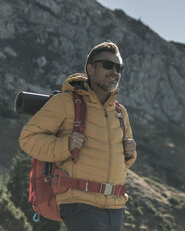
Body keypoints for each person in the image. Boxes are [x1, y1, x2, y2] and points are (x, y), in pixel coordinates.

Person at [19, 41, 137, 231]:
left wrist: (130, 153)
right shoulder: (65, 102)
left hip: (116, 207)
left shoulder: (120, 112)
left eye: (119, 67)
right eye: (108, 65)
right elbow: (28, 138)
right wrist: (66, 145)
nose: (115, 71)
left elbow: (122, 162)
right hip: (79, 202)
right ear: (90, 69)